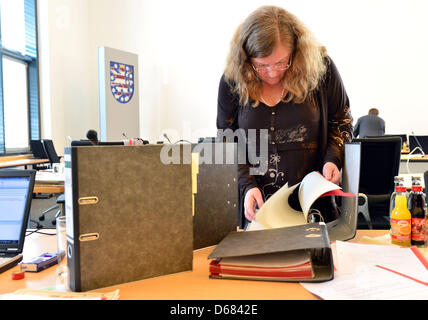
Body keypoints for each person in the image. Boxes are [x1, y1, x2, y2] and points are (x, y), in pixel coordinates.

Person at [216, 6, 353, 224]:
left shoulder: (320, 68)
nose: (272, 73)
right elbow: (227, 139)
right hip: (259, 210)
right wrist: (246, 185)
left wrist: (333, 159)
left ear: (296, 52)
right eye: (261, 65)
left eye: (281, 62)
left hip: (313, 209)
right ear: (246, 58)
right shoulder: (234, 79)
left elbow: (341, 121)